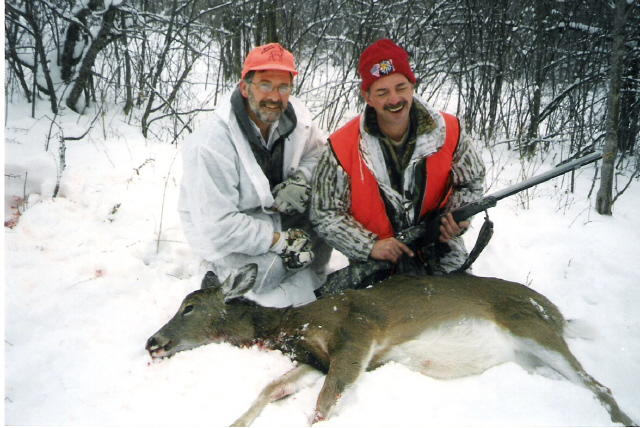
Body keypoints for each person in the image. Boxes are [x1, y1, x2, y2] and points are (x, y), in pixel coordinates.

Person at [310, 39, 485, 279]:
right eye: (382, 92)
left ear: (413, 86)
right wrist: (369, 246)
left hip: (438, 249)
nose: (394, 99)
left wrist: (458, 217)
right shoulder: (340, 147)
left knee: (459, 310)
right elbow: (325, 213)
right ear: (368, 97)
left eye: (401, 87)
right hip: (379, 259)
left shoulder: (450, 130)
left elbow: (471, 181)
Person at [179, 43, 330, 307]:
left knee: (329, 215)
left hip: (276, 214)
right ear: (244, 87)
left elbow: (319, 154)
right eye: (265, 84)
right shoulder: (211, 144)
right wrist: (278, 242)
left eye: (283, 87)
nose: (275, 96)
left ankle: (307, 271)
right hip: (225, 230)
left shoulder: (298, 117)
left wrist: (301, 180)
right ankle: (218, 266)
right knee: (267, 273)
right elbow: (219, 226)